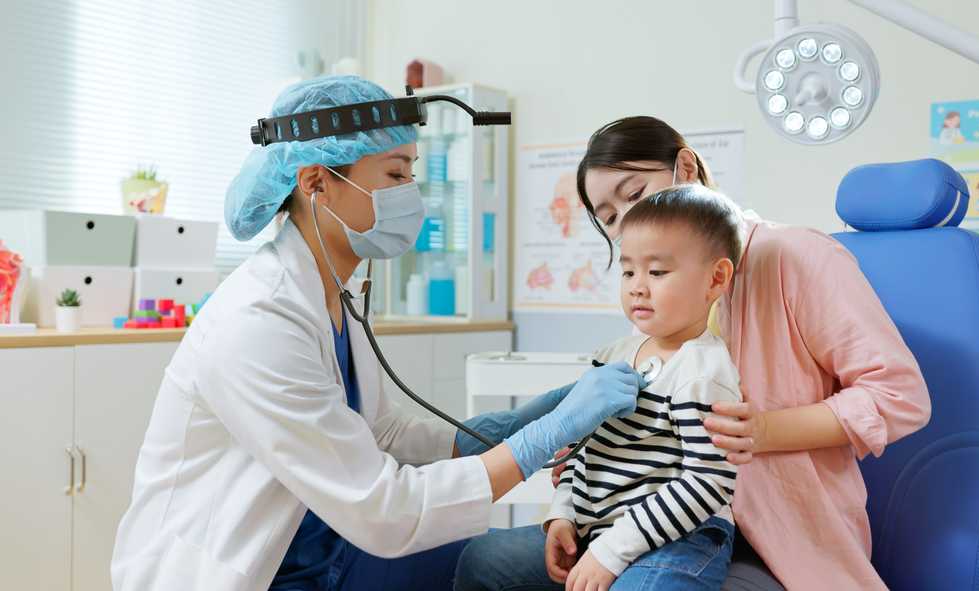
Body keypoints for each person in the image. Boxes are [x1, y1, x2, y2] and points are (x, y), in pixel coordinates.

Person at [110, 76, 644, 591]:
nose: (411, 193)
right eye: (394, 175)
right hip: (248, 569)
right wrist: (542, 439)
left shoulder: (335, 291)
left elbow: (378, 435)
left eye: (411, 172)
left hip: (329, 548)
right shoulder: (258, 322)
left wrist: (524, 418)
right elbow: (385, 509)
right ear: (316, 183)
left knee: (487, 563)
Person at [541, 116, 931, 590]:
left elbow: (899, 396)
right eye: (609, 218)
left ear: (686, 168)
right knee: (486, 562)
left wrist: (764, 430)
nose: (628, 222)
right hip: (659, 521)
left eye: (634, 194)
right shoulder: (654, 289)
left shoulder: (796, 256)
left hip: (772, 536)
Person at [456, 186, 745, 590]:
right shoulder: (612, 354)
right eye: (628, 271)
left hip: (682, 538)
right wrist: (563, 515)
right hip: (601, 529)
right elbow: (582, 447)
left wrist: (610, 553)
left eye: (657, 272)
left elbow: (707, 483)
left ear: (716, 279)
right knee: (484, 560)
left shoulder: (702, 370)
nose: (637, 287)